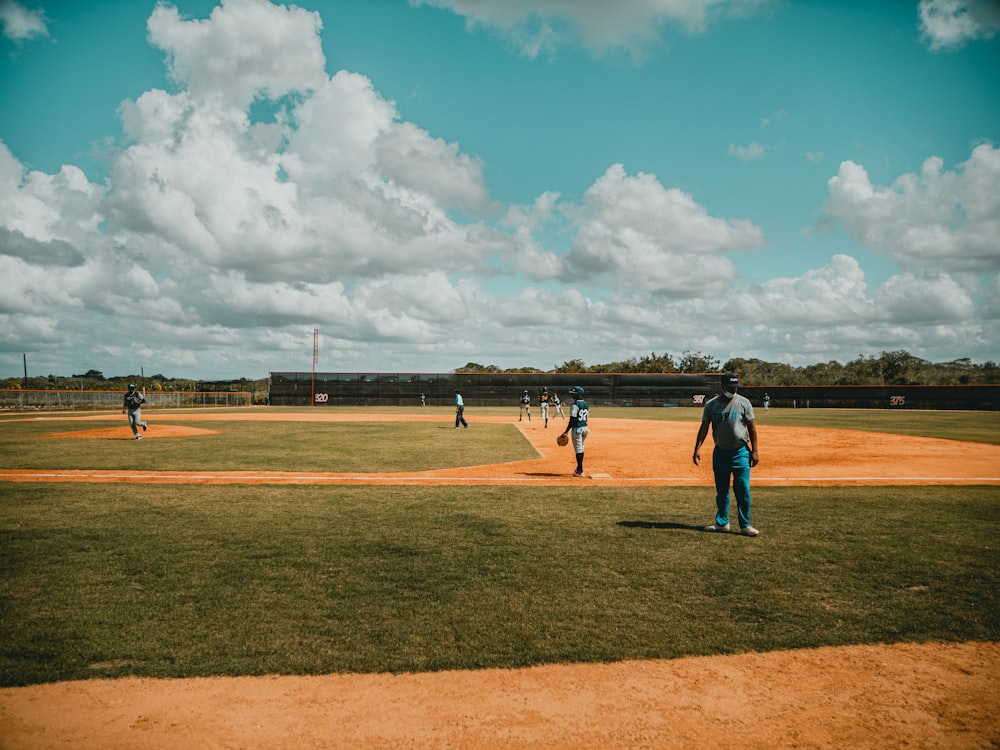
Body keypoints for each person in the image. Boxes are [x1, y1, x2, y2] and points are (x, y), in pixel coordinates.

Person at [692, 373, 760, 537]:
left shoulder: (744, 403)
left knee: (743, 489)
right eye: (730, 387)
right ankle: (722, 523)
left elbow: (752, 428)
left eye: (735, 387)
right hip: (720, 452)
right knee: (722, 491)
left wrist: (755, 451)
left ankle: (745, 525)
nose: (733, 390)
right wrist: (697, 449)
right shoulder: (711, 405)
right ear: (723, 387)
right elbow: (704, 427)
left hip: (741, 452)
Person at [559, 386, 589, 477]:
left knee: (578, 450)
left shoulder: (575, 405)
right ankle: (579, 469)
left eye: (574, 393)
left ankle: (580, 470)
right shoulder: (586, 404)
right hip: (585, 428)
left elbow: (572, 420)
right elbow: (587, 417)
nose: (572, 395)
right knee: (581, 448)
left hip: (577, 429)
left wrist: (566, 431)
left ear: (579, 394)